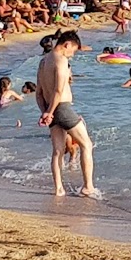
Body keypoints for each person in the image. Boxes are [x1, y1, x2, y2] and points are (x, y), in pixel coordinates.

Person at [37, 30, 99, 198]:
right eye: (73, 51)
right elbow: (58, 90)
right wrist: (50, 112)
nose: (72, 55)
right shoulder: (61, 61)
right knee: (86, 144)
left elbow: (39, 93)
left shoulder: (43, 62)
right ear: (67, 45)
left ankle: (58, 188)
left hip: (50, 108)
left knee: (57, 151)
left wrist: (45, 112)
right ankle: (88, 187)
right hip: (62, 108)